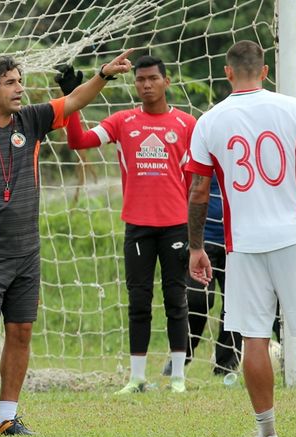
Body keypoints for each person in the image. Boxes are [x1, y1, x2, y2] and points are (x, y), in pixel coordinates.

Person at [0, 50, 133, 436]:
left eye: (20, 81)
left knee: (20, 331)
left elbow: (74, 100)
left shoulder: (32, 119)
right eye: (11, 83)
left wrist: (103, 74)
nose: (20, 88)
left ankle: (6, 418)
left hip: (26, 249)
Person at [186, 40, 296, 437]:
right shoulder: (294, 108)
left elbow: (198, 192)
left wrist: (195, 247)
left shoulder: (209, 121)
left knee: (253, 338)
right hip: (295, 235)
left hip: (243, 243)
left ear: (227, 72)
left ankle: (267, 434)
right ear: (265, 69)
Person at [63, 55, 194, 393]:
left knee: (176, 299)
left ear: (166, 81)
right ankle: (137, 377)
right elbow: (78, 142)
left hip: (176, 225)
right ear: (134, 83)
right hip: (137, 226)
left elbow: (196, 181)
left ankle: (178, 376)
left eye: (152, 78)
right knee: (138, 301)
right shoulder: (122, 121)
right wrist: (69, 104)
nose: (146, 85)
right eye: (140, 80)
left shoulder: (186, 124)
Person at [179, 175, 243, 375]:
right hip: (202, 241)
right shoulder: (198, 149)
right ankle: (182, 353)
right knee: (197, 300)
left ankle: (226, 366)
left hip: (237, 240)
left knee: (234, 305)